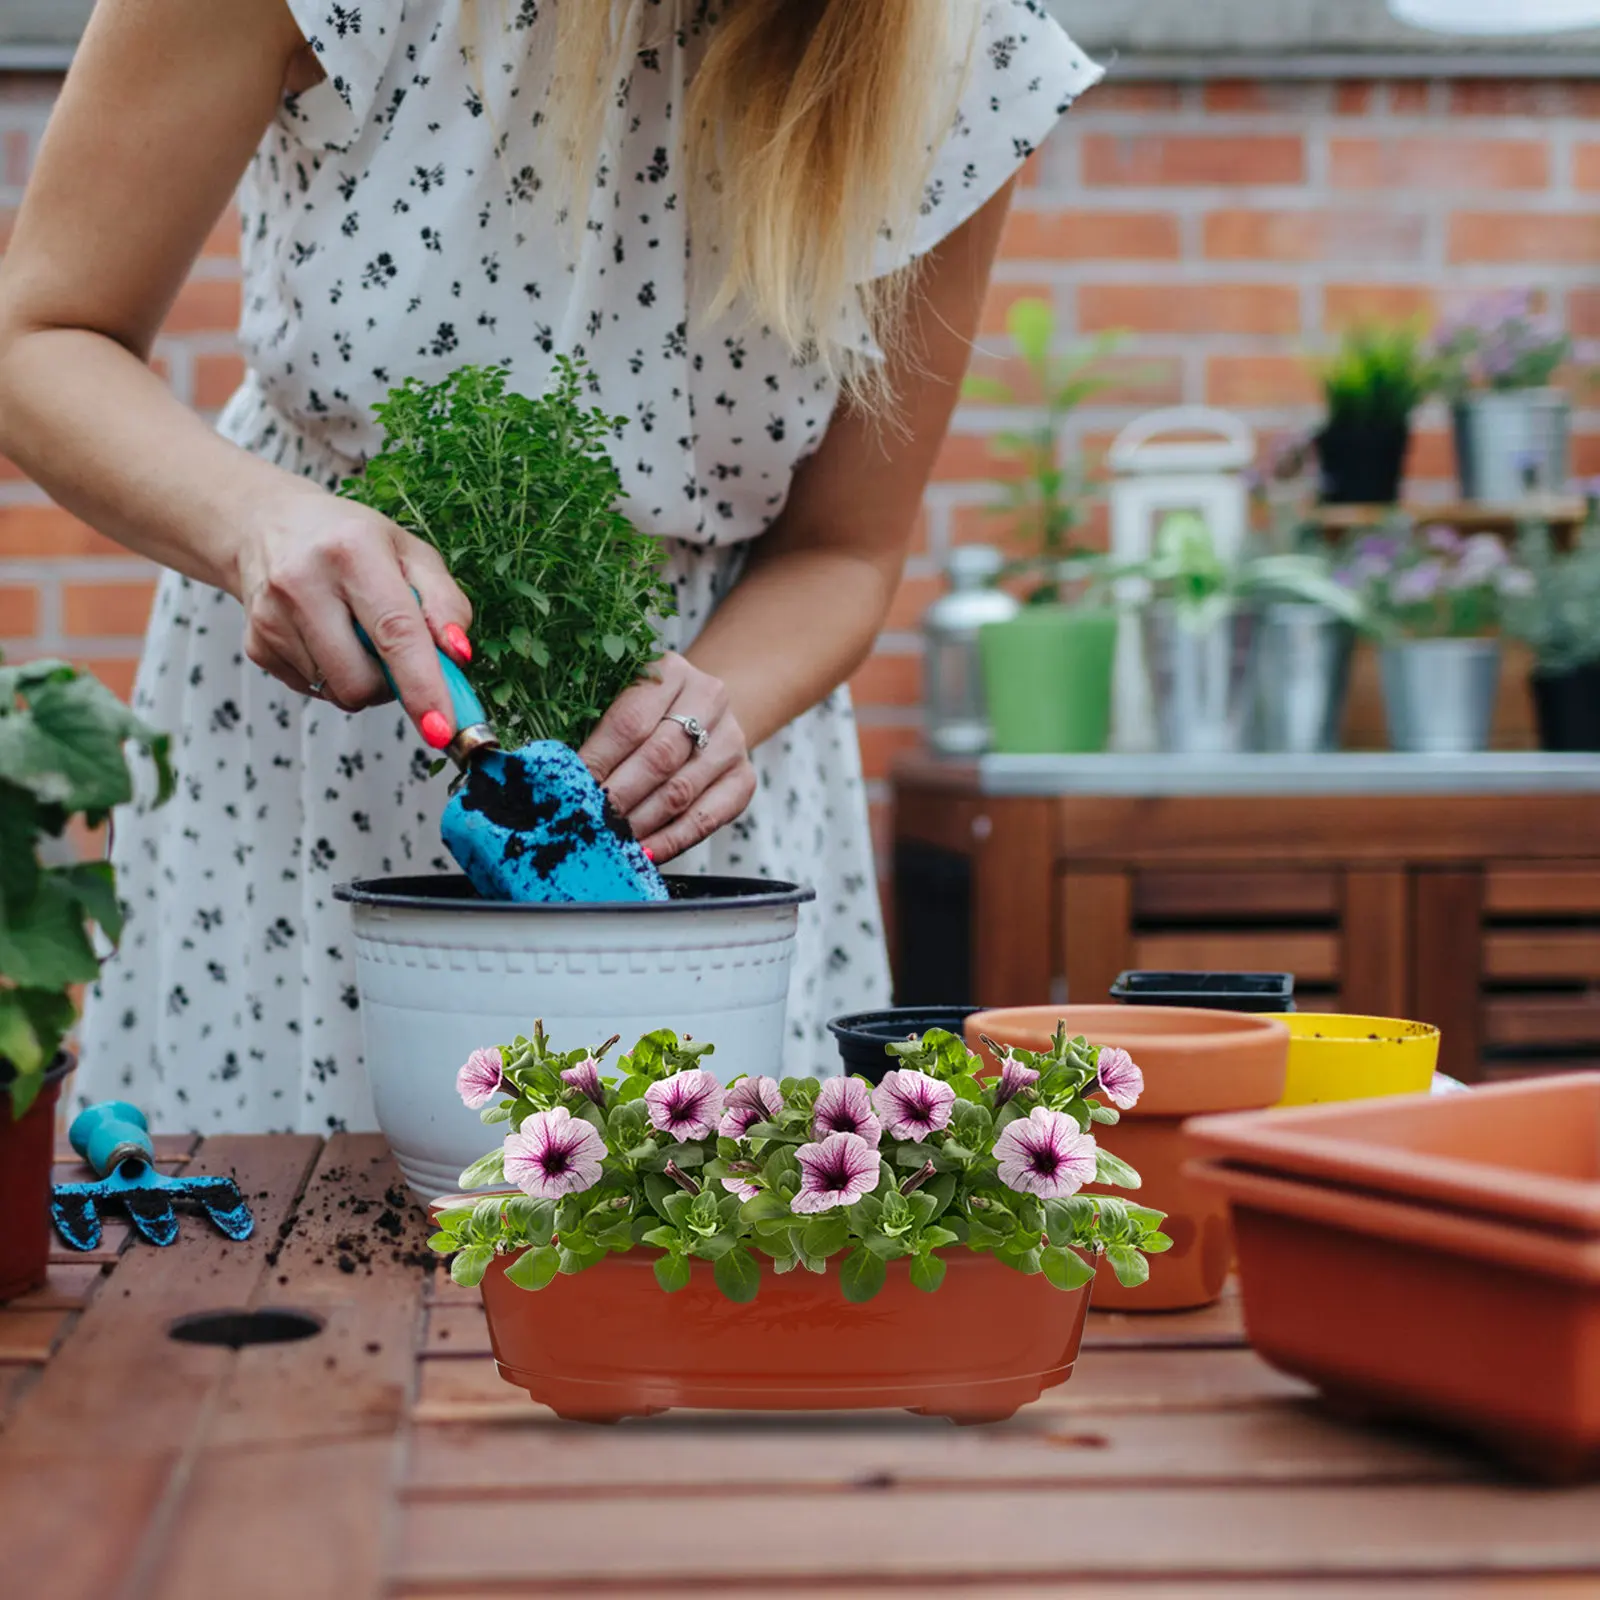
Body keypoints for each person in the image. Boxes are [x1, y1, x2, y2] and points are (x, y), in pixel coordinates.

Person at [0, 0, 1100, 1134]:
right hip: (309, 763)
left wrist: (697, 724)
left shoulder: (954, 54)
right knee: (271, 1258)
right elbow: (38, 338)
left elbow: (844, 551)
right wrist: (259, 522)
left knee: (686, 1259)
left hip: (683, 827)